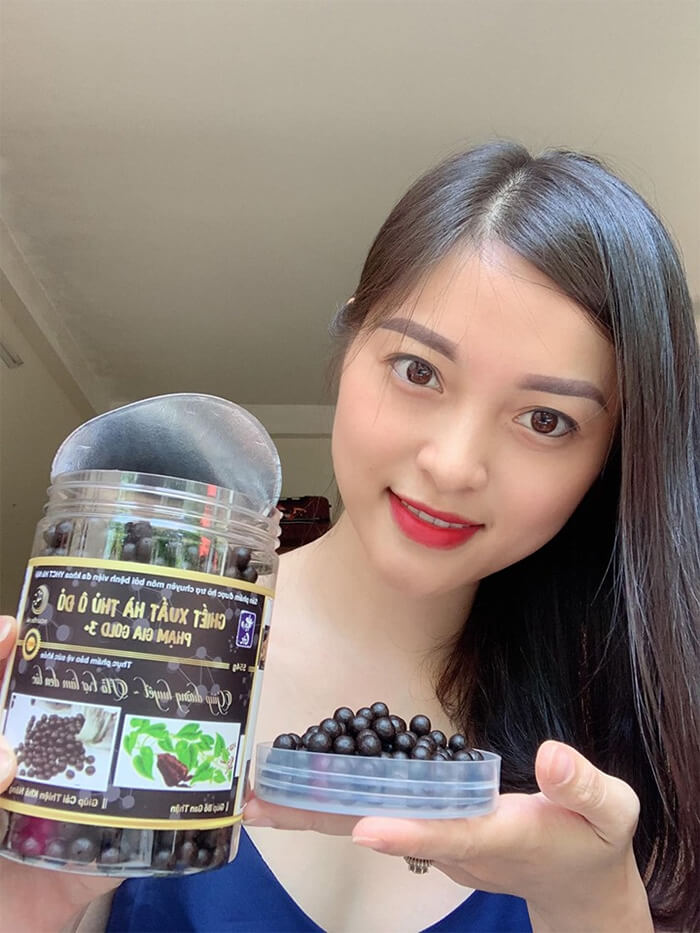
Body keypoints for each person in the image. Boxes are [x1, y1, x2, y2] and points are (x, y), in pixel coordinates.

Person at [0, 140, 698, 932]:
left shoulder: (629, 725)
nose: (452, 463)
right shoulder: (155, 642)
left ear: (609, 461)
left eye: (546, 419)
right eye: (418, 370)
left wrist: (596, 903)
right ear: (350, 344)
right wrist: (21, 905)